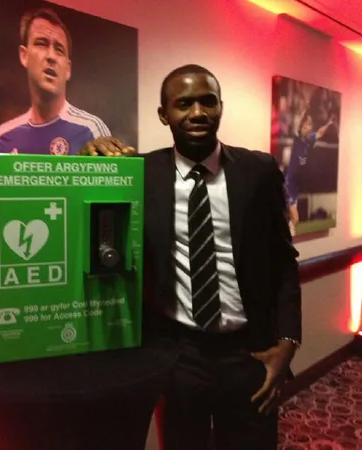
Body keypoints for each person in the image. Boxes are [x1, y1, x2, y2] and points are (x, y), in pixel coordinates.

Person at [82, 64, 302, 449]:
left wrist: (288, 341)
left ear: (220, 107)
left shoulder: (258, 171)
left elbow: (283, 261)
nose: (198, 112)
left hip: (250, 354)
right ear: (164, 114)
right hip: (179, 357)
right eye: (184, 104)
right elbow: (88, 215)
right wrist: (87, 155)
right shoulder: (139, 173)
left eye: (207, 101)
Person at [0, 6, 111, 155]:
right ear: (24, 55)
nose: (51, 56)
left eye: (59, 50)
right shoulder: (3, 138)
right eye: (41, 43)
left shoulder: (91, 130)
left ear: (68, 69)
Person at [284, 111, 336, 235]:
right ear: (301, 127)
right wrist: (305, 112)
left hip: (295, 187)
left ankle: (287, 232)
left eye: (309, 126)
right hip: (288, 185)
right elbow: (298, 124)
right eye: (305, 126)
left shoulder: (310, 140)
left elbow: (320, 133)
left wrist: (328, 124)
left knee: (294, 220)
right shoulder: (297, 140)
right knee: (295, 218)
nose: (307, 128)